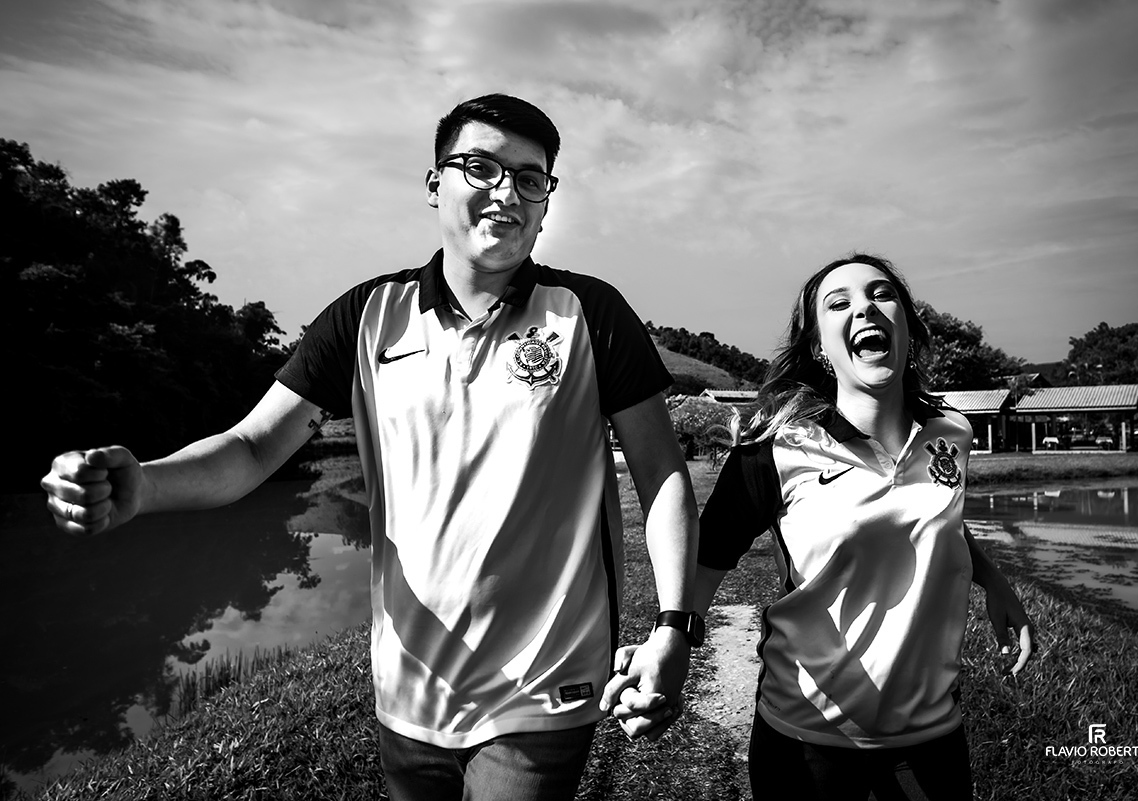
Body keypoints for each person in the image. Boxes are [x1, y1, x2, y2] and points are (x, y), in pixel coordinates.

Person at [40, 93, 699, 801]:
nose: (507, 192)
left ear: (546, 201)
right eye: (481, 168)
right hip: (407, 690)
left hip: (543, 688)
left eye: (531, 178)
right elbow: (255, 445)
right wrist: (145, 483)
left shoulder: (589, 313)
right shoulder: (367, 316)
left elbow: (661, 474)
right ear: (435, 183)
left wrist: (673, 628)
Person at [674, 254, 1034, 799]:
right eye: (838, 303)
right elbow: (706, 562)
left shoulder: (951, 433)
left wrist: (995, 581)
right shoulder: (776, 449)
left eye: (881, 294)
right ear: (820, 345)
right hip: (807, 741)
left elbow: (936, 518)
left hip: (935, 736)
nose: (864, 307)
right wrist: (671, 645)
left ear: (909, 327)